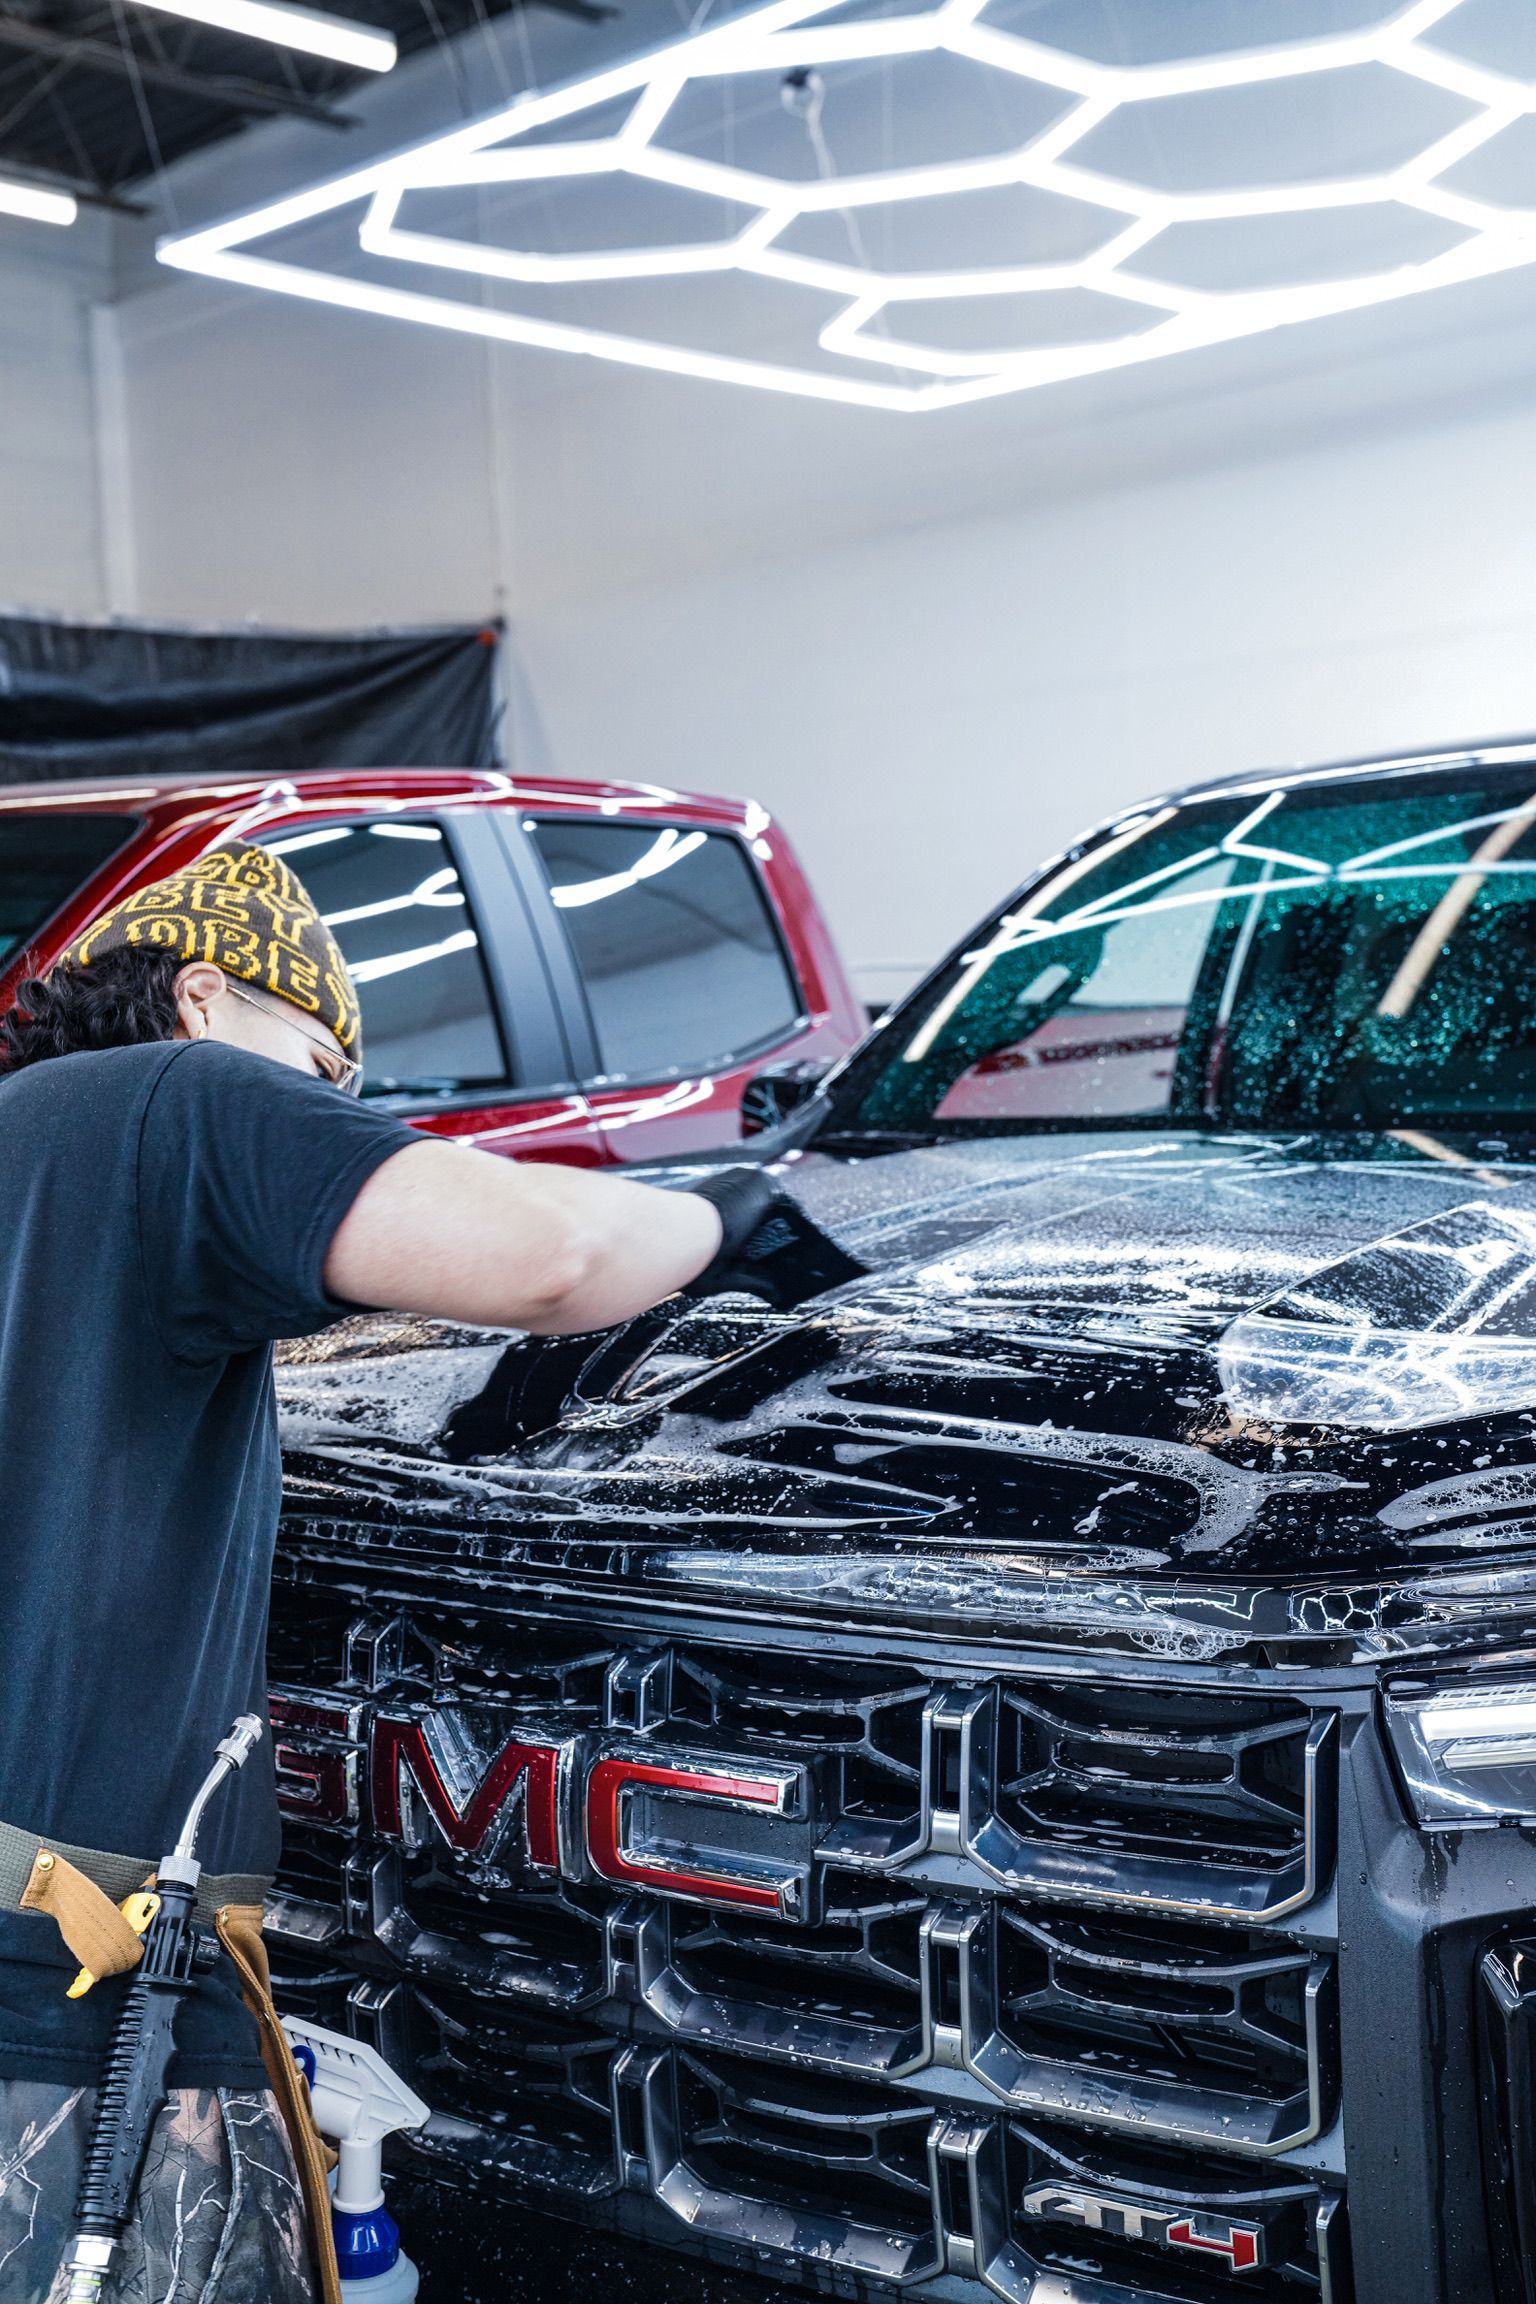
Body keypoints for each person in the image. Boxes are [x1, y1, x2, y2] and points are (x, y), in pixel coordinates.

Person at [0, 840, 860, 2302]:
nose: (335, 1104)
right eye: (322, 1065)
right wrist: (729, 1213)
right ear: (203, 999)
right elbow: (553, 1256)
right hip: (72, 2003)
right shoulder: (184, 1097)